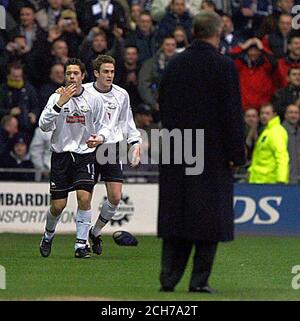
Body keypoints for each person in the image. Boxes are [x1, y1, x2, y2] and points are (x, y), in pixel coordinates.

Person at [158, 11, 245, 293]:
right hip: (212, 155)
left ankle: (168, 278)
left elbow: (163, 106)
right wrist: (237, 155)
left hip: (177, 150)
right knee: (210, 218)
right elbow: (232, 115)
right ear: (217, 33)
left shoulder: (173, 64)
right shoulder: (224, 66)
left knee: (176, 214)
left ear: (194, 32)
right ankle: (199, 281)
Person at [38, 58, 111, 259]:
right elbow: (43, 126)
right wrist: (59, 105)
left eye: (76, 73)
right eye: (68, 73)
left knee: (84, 197)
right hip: (61, 156)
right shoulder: (56, 98)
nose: (72, 76)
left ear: (83, 76)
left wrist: (100, 137)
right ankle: (48, 234)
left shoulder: (94, 99)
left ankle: (80, 244)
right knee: (58, 206)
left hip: (84, 154)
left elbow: (105, 124)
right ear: (64, 76)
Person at [82, 54, 142, 256]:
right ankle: (81, 242)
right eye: (105, 72)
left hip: (111, 147)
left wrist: (135, 143)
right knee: (85, 198)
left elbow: (127, 121)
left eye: (112, 72)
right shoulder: (85, 92)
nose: (109, 75)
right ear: (96, 73)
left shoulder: (121, 94)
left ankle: (95, 232)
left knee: (115, 197)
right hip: (88, 148)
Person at [248, 103, 289, 184]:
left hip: (269, 182)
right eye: (262, 113)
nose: (264, 116)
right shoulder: (266, 131)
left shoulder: (276, 131)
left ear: (274, 114)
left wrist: (281, 180)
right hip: (258, 180)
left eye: (267, 113)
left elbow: (282, 156)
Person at [282, 104, 300, 184]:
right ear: (285, 115)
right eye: (291, 112)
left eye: (296, 113)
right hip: (284, 178)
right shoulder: (280, 131)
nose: (293, 115)